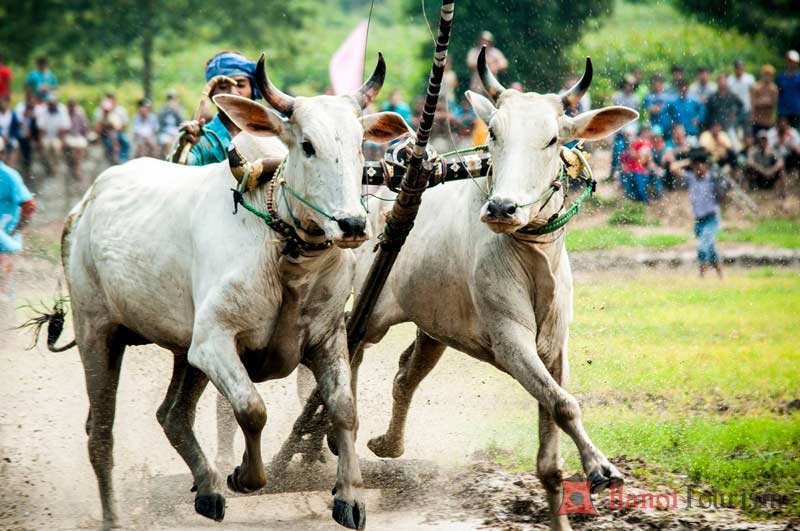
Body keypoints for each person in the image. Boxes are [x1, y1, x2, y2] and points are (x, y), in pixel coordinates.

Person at [173, 51, 262, 166]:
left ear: (253, 91)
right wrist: (183, 149)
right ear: (211, 95)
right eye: (223, 87)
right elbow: (181, 170)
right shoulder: (201, 138)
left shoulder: (268, 134)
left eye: (240, 85)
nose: (233, 93)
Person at [0, 137, 36, 300]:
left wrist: (15, 232)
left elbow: (29, 207)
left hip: (5, 241)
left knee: (4, 292)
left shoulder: (9, 176)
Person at [683, 147, 724, 278]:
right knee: (711, 249)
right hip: (699, 221)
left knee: (702, 247)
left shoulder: (713, 179)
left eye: (702, 165)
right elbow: (673, 167)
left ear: (706, 166)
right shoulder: (691, 179)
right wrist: (688, 161)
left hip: (711, 219)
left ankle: (701, 277)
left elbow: (722, 197)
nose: (699, 168)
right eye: (696, 165)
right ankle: (721, 276)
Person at [34, 92, 70, 175]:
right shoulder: (43, 110)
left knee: (56, 147)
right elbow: (41, 128)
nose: (51, 105)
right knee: (45, 147)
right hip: (47, 136)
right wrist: (40, 141)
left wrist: (62, 141)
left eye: (53, 103)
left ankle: (55, 166)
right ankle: (50, 167)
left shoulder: (62, 109)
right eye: (50, 103)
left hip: (57, 136)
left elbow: (64, 128)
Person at [705, 75, 743, 150]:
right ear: (717, 83)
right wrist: (712, 125)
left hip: (728, 125)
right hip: (716, 128)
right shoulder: (712, 97)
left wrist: (735, 114)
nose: (722, 84)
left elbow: (741, 105)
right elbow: (708, 112)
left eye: (724, 82)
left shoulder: (731, 95)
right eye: (720, 82)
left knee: (734, 147)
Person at [94, 92, 130, 164]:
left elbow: (121, 125)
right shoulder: (100, 111)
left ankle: (123, 160)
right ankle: (113, 159)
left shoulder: (119, 111)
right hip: (104, 134)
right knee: (110, 144)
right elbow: (97, 126)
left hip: (117, 132)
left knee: (125, 142)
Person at [64, 98, 90, 186]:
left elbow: (85, 128)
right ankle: (76, 168)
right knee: (74, 147)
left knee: (81, 145)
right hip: (68, 136)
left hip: (78, 136)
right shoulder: (64, 115)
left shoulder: (80, 115)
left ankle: (77, 166)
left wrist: (86, 139)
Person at [727, 59, 755, 137]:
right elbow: (729, 98)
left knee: (748, 132)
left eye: (741, 68)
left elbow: (753, 96)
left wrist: (753, 112)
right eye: (737, 68)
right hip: (734, 112)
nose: (739, 70)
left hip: (747, 110)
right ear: (734, 69)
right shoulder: (730, 80)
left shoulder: (749, 79)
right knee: (734, 133)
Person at [750, 64, 779, 136]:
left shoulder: (774, 88)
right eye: (766, 74)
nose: (767, 77)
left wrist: (761, 101)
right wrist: (766, 101)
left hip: (768, 121)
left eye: (769, 74)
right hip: (757, 120)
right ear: (762, 74)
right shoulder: (756, 87)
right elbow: (754, 103)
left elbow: (773, 103)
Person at [157, 90, 186, 159]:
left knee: (175, 142)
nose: (171, 101)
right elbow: (159, 124)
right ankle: (168, 159)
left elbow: (183, 123)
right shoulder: (162, 110)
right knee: (167, 142)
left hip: (177, 131)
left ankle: (174, 159)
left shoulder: (180, 110)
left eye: (173, 99)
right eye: (169, 99)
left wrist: (176, 111)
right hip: (165, 132)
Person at [776, 50, 800, 128]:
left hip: (795, 111)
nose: (791, 63)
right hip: (782, 111)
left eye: (793, 61)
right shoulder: (781, 77)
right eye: (789, 61)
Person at [0, 96, 22, 167]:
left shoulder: (12, 114)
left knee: (15, 145)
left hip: (10, 137)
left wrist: (10, 136)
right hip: (1, 137)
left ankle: (11, 165)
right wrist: (2, 136)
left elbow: (16, 127)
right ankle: (3, 164)